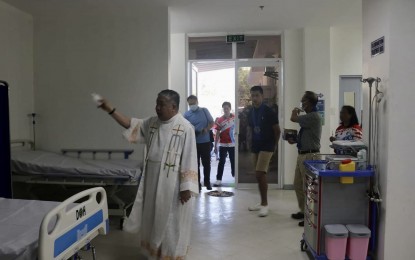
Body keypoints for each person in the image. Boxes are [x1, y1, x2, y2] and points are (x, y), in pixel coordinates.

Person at [97, 90, 199, 259]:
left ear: (173, 107)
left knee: (171, 222)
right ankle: (153, 253)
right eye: (156, 103)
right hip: (152, 183)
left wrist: (186, 187)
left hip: (172, 187)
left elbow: (190, 157)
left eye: (161, 105)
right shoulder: (152, 123)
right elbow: (130, 124)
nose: (157, 108)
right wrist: (110, 109)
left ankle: (170, 255)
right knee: (153, 218)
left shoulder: (185, 128)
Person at [288, 91, 322, 227]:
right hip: (302, 154)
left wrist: (295, 110)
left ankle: (309, 215)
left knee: (308, 187)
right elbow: (308, 135)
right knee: (297, 184)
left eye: (303, 101)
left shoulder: (313, 116)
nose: (302, 104)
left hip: (310, 155)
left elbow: (293, 118)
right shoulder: (309, 116)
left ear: (310, 102)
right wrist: (295, 139)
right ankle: (303, 211)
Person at [247, 86, 281, 217]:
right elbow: (251, 128)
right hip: (255, 146)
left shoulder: (268, 111)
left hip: (267, 146)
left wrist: (274, 146)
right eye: (252, 95)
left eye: (256, 95)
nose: (254, 98)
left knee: (260, 174)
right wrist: (249, 142)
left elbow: (277, 130)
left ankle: (265, 204)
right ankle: (261, 203)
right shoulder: (251, 111)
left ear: (262, 96)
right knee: (258, 175)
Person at [184, 95, 215, 191]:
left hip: (205, 142)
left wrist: (207, 129)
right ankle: (197, 184)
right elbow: (185, 127)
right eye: (190, 104)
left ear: (197, 102)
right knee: (195, 164)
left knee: (206, 163)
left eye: (193, 103)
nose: (192, 105)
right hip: (194, 143)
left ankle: (207, 182)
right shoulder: (186, 114)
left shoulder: (204, 111)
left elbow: (212, 122)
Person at [213, 102, 235, 187]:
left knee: (233, 161)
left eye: (227, 108)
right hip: (223, 144)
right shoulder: (219, 120)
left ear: (230, 108)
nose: (226, 110)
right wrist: (215, 146)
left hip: (233, 144)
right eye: (224, 108)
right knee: (221, 162)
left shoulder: (234, 117)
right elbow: (217, 133)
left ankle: (234, 175)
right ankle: (218, 179)